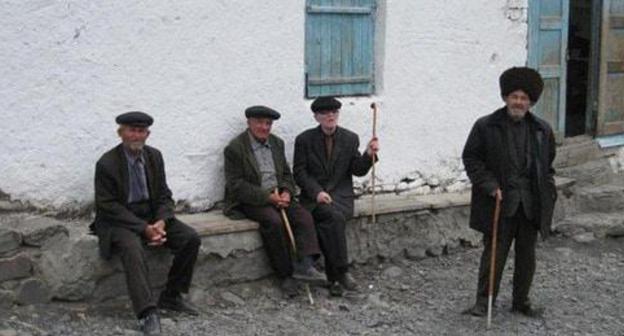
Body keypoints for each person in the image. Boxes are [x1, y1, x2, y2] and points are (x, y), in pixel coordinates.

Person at [91, 111, 201, 335]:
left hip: (151, 215)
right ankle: (146, 313)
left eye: (141, 131)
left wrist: (161, 221)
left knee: (190, 238)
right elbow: (107, 205)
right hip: (119, 219)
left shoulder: (154, 156)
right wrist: (144, 229)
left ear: (148, 134)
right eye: (132, 130)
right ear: (121, 133)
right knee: (132, 247)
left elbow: (164, 195)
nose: (136, 136)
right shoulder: (107, 163)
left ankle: (172, 295)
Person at [461, 67, 557, 318]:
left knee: (527, 257)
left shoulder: (542, 130)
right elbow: (471, 159)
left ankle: (521, 301)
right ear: (505, 98)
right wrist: (490, 186)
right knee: (494, 255)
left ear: (531, 102)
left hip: (530, 204)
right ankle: (484, 302)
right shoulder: (486, 126)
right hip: (500, 203)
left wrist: (548, 191)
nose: (519, 102)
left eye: (524, 98)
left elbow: (547, 165)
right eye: (514, 96)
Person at [223, 105, 326, 297]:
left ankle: (305, 265)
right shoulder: (235, 148)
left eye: (268, 124)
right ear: (249, 123)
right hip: (253, 199)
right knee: (273, 221)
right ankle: (285, 275)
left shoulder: (277, 143)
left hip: (279, 194)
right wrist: (268, 198)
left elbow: (287, 174)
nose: (264, 127)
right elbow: (236, 185)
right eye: (260, 123)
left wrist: (287, 191)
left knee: (303, 216)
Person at [293, 96, 379, 296]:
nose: (330, 116)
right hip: (315, 199)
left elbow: (357, 170)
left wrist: (368, 155)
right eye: (324, 113)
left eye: (334, 112)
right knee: (331, 219)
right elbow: (300, 172)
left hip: (341, 198)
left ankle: (333, 278)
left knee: (331, 219)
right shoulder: (304, 140)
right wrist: (317, 192)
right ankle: (340, 273)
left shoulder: (350, 138)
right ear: (316, 117)